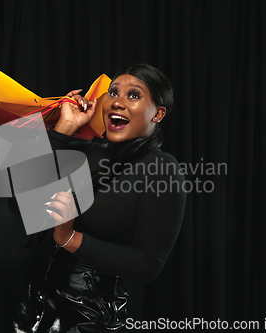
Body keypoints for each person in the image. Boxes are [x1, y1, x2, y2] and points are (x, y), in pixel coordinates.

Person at [12, 64, 187, 332]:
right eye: (113, 92)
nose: (118, 102)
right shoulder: (88, 152)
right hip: (27, 307)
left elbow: (148, 265)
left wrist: (70, 238)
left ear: (158, 114)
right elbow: (22, 199)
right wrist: (65, 126)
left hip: (86, 316)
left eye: (134, 95)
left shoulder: (162, 169)